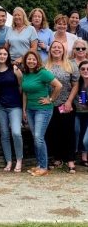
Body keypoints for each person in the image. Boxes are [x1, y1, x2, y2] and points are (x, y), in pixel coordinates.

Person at [22, 51, 62, 177]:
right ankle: (39, 165)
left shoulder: (43, 73)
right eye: (29, 59)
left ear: (38, 60)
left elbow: (58, 86)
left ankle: (44, 167)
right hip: (30, 109)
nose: (31, 61)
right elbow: (25, 93)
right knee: (36, 138)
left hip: (43, 109)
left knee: (39, 137)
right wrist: (24, 109)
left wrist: (50, 99)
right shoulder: (26, 74)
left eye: (34, 59)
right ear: (26, 61)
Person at [46, 40, 79, 174]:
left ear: (63, 50)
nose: (56, 49)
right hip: (49, 104)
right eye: (54, 47)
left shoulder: (70, 65)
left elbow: (75, 84)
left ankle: (70, 160)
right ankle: (57, 158)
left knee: (68, 133)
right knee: (53, 133)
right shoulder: (45, 64)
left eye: (59, 47)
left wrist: (69, 101)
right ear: (50, 50)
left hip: (65, 104)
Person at [0, 47, 23, 172]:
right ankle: (9, 161)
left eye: (5, 54)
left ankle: (19, 160)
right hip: (0, 107)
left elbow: (21, 86)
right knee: (4, 134)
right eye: (0, 54)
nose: (2, 56)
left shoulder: (14, 69)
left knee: (16, 132)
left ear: (8, 56)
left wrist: (22, 105)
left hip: (15, 106)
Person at [74, 60, 88, 167]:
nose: (85, 71)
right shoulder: (77, 83)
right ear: (79, 71)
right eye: (83, 69)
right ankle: (74, 154)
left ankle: (84, 157)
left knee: (85, 137)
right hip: (77, 112)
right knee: (76, 131)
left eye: (87, 69)